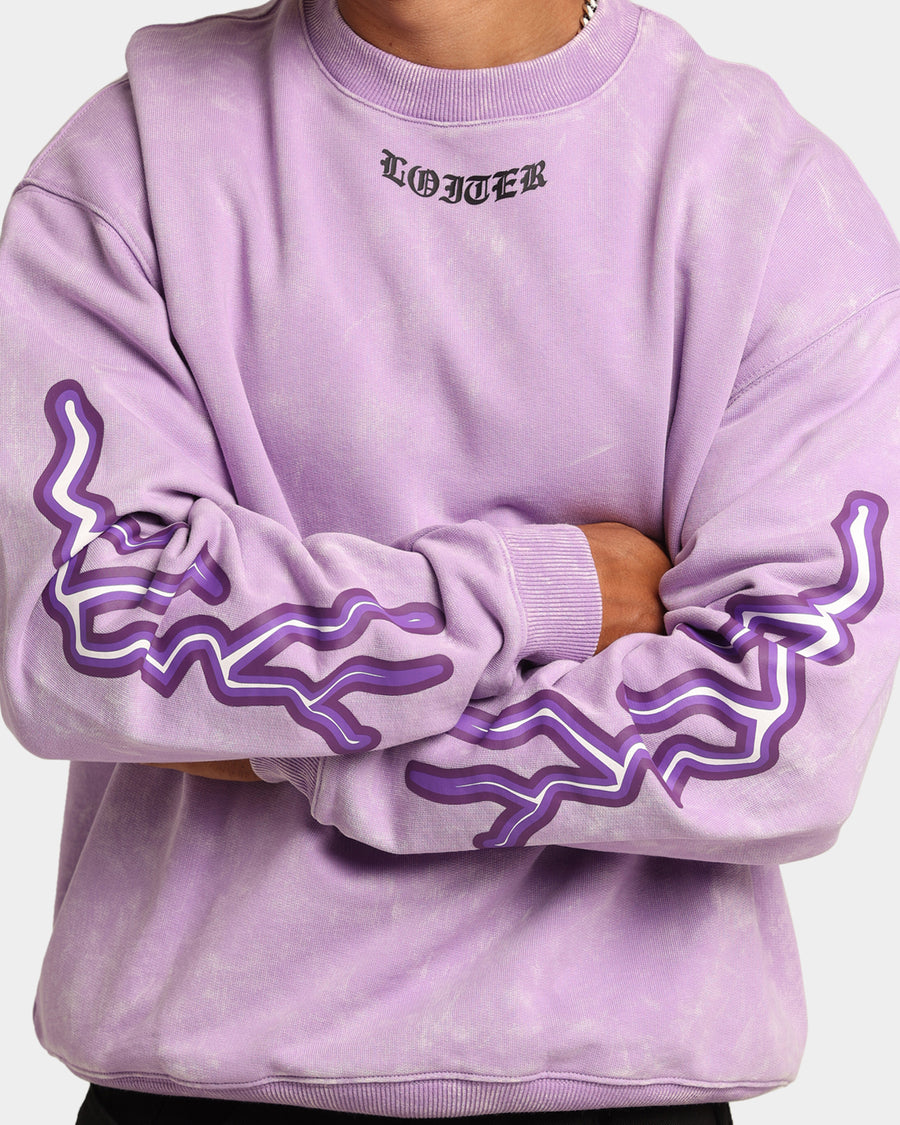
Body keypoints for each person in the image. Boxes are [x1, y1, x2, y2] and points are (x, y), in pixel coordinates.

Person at [1, 0, 898, 1122]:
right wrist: (541, 593)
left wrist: (306, 751)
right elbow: (86, 634)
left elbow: (779, 735)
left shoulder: (767, 194)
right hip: (190, 1089)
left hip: (623, 1095)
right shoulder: (128, 162)